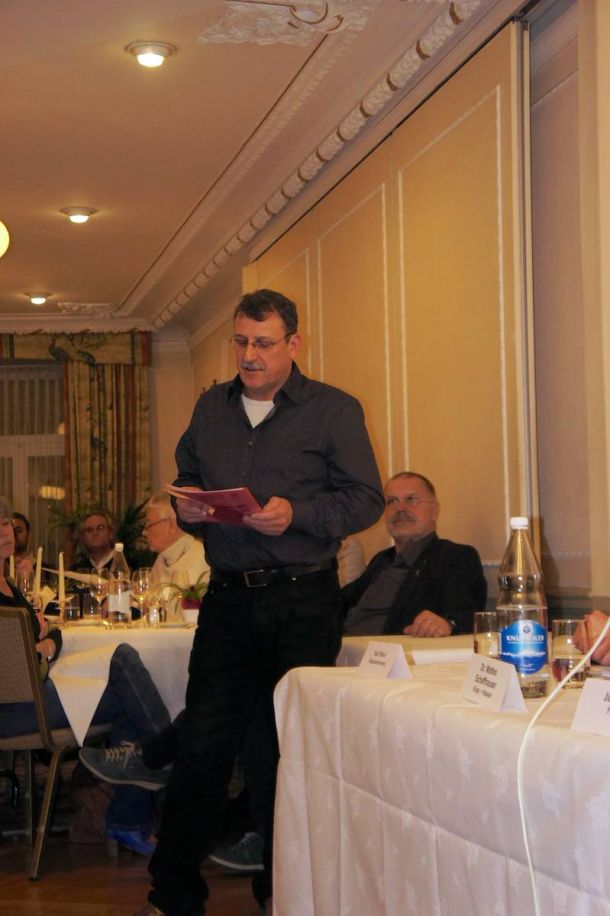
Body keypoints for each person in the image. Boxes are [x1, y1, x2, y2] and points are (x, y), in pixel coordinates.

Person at [137, 288, 383, 916]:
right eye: (242, 341)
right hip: (228, 602)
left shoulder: (333, 410)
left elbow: (365, 500)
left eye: (263, 344)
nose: (249, 355)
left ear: (293, 345)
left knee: (284, 752)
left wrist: (296, 514)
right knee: (203, 745)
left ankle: (282, 890)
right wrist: (188, 509)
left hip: (304, 602)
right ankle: (174, 892)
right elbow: (187, 478)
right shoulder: (210, 408)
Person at [0, 496, 172, 856]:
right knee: (123, 662)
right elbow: (23, 649)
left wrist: (47, 641)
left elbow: (45, 636)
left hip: (36, 690)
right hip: (14, 707)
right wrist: (40, 645)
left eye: (5, 524)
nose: (4, 532)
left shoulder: (9, 585)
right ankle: (172, 759)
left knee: (127, 691)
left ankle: (130, 817)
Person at [343, 471, 487, 636]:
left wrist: (447, 624)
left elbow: (468, 616)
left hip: (393, 650)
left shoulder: (454, 557)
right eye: (391, 501)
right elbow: (339, 603)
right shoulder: (382, 560)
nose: (400, 508)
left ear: (434, 511)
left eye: (411, 499)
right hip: (344, 647)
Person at [144, 491, 208, 589]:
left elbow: (187, 598)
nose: (144, 532)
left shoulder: (200, 558)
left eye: (149, 525)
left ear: (171, 526)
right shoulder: (162, 558)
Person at [12, 511, 35, 576]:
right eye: (11, 531)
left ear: (29, 535)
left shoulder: (44, 570)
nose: (14, 534)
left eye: (19, 531)